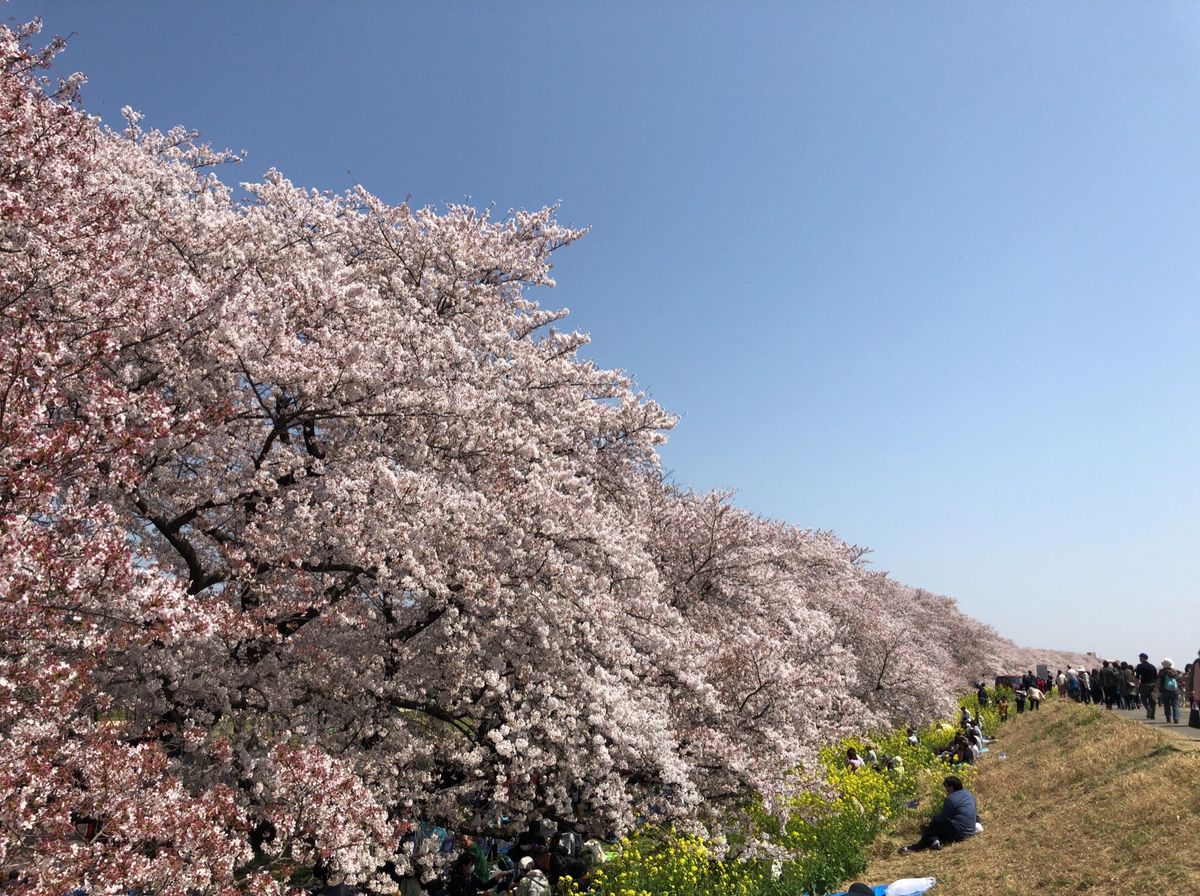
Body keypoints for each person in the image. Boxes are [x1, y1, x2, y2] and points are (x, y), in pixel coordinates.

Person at [898, 775, 977, 853]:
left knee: (934, 824)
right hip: (970, 831)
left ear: (952, 787)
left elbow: (942, 818)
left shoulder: (951, 799)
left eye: (946, 787)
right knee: (936, 832)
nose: (946, 790)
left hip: (959, 833)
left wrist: (934, 818)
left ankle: (915, 848)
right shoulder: (968, 794)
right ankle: (935, 841)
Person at [1160, 659, 1183, 724]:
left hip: (1165, 690)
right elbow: (1179, 680)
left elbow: (1158, 681)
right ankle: (1176, 718)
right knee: (1175, 704)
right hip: (1175, 690)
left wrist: (1157, 688)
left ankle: (1168, 718)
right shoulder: (1175, 671)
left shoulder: (1162, 671)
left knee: (1166, 704)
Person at [1135, 653, 1158, 719]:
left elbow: (1137, 677)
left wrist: (1136, 686)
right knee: (1152, 700)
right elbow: (1156, 678)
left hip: (1143, 685)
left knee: (1143, 699)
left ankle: (1148, 709)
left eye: (1140, 657)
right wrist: (1156, 687)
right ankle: (1152, 715)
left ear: (1143, 658)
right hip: (1152, 685)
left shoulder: (1139, 666)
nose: (1139, 658)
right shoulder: (1152, 666)